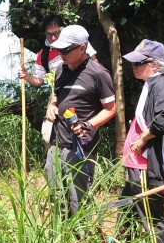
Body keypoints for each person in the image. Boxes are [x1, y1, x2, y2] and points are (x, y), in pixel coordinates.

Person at [118, 39, 164, 243]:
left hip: (147, 163)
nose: (134, 67)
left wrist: (143, 138)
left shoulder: (163, 85)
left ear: (155, 65)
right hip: (136, 161)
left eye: (140, 63)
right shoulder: (151, 84)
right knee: (127, 207)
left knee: (150, 213)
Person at [44, 25, 116, 217]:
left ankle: (82, 240)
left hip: (80, 146)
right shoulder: (60, 69)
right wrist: (51, 106)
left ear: (82, 48)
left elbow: (111, 109)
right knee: (56, 193)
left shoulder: (99, 73)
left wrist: (89, 125)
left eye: (66, 50)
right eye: (59, 50)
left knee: (79, 197)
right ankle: (61, 237)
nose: (61, 54)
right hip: (57, 142)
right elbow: (56, 97)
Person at [18, 15, 98, 148]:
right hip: (57, 96)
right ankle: (55, 163)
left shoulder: (78, 44)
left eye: (56, 33)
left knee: (80, 135)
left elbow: (95, 64)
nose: (53, 38)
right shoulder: (43, 55)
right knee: (48, 135)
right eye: (49, 35)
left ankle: (80, 164)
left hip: (81, 93)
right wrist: (27, 76)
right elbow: (39, 80)